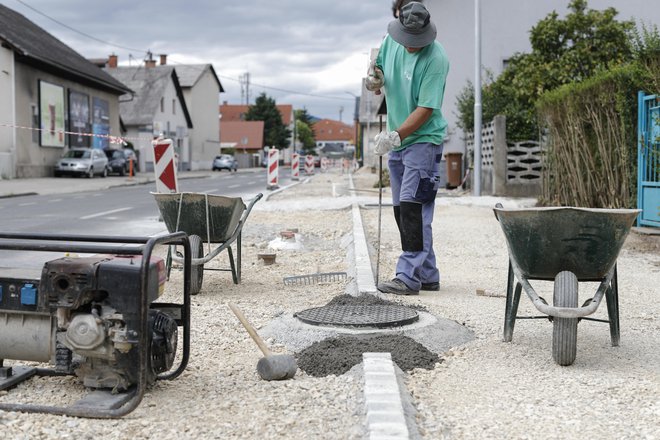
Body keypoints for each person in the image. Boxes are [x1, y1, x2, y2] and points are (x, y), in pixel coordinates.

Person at [366, 2, 449, 295]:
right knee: (403, 210)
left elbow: (426, 108)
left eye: (417, 43)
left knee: (415, 209)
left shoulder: (436, 59)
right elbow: (380, 72)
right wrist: (374, 79)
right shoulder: (391, 41)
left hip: (423, 141)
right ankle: (428, 274)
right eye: (407, 41)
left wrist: (394, 136)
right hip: (399, 142)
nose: (411, 47)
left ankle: (408, 276)